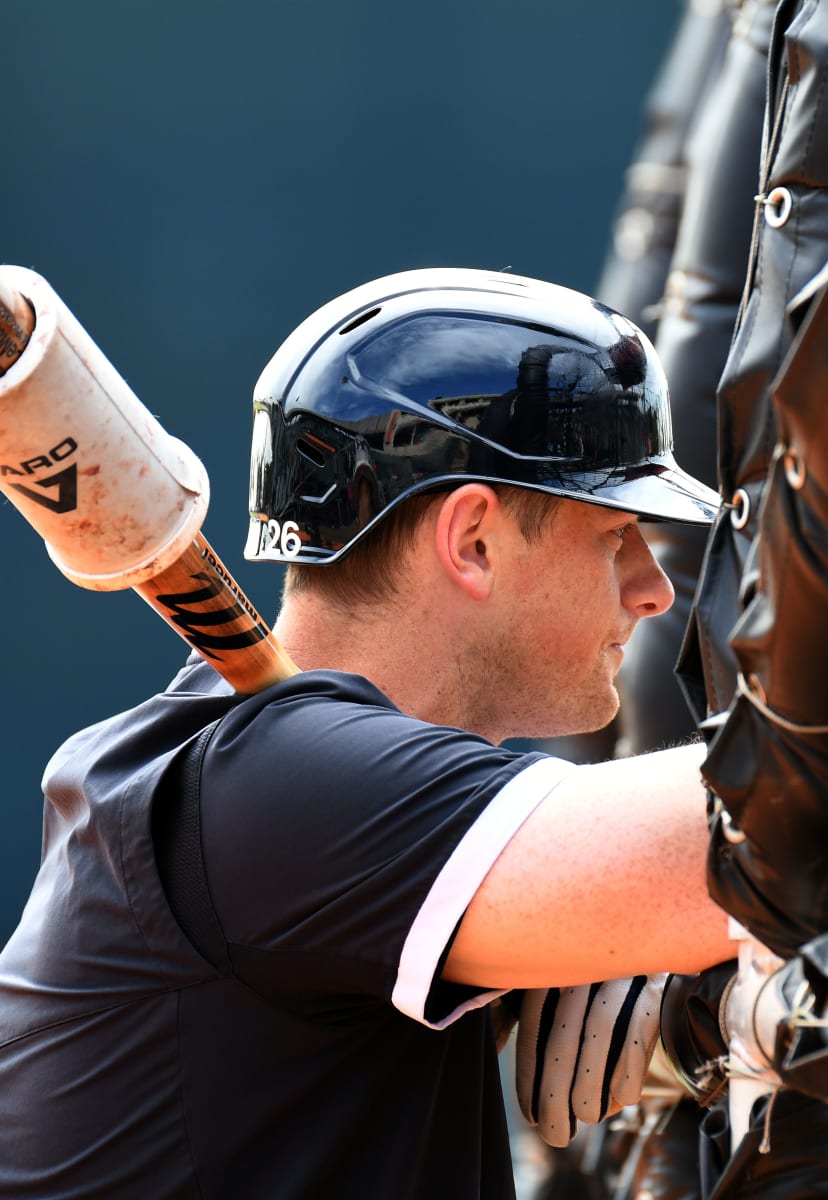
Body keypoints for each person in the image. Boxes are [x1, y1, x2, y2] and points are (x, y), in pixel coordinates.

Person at [0, 268, 738, 1199]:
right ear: (472, 540)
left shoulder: (254, 773)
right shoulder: (282, 786)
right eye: (615, 535)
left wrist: (603, 927)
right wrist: (648, 912)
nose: (652, 589)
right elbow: (817, 835)